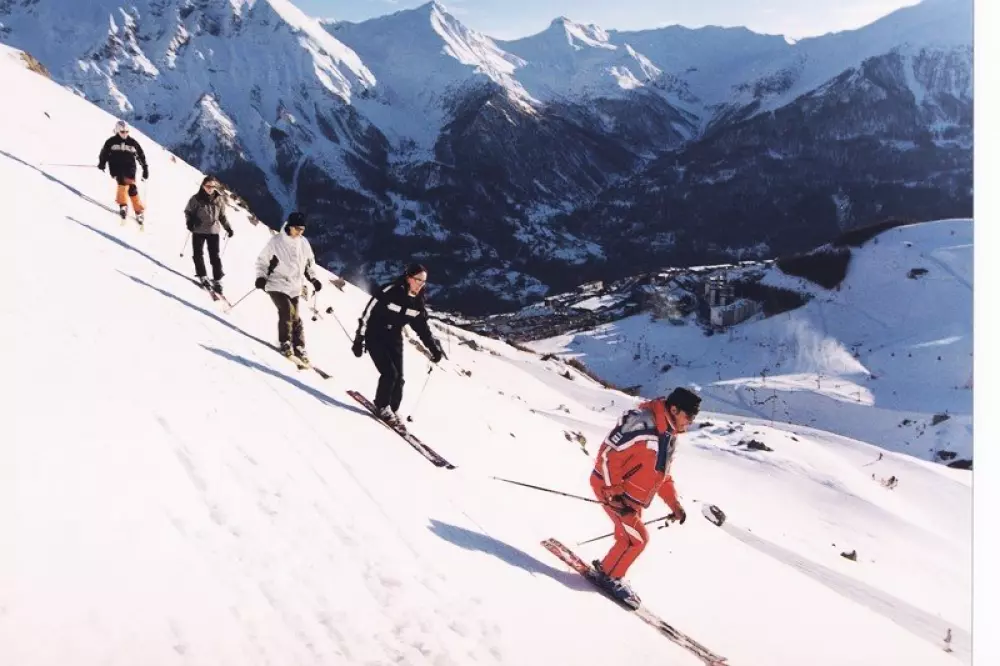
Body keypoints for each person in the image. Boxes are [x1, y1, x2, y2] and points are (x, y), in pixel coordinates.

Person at [588, 386, 702, 608]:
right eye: (689, 416)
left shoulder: (667, 435)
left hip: (631, 496)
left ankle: (607, 569)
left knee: (627, 537)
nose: (690, 422)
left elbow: (662, 476)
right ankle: (611, 577)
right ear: (675, 409)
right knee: (637, 539)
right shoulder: (643, 425)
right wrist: (613, 492)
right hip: (612, 490)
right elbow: (608, 455)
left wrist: (674, 504)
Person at [352, 264, 445, 427]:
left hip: (394, 337)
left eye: (424, 282)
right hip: (375, 334)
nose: (421, 285)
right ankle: (381, 406)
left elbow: (422, 328)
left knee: (399, 379)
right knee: (390, 373)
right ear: (409, 278)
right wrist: (359, 338)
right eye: (418, 280)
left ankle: (393, 408)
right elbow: (368, 313)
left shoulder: (417, 302)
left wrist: (434, 349)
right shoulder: (390, 291)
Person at [254, 212, 322, 364]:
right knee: (286, 310)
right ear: (290, 226)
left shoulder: (303, 243)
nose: (300, 232)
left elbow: (309, 263)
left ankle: (299, 346)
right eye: (297, 229)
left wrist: (314, 279)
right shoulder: (276, 242)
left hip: (294, 286)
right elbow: (262, 261)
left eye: (302, 229)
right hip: (275, 283)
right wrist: (261, 277)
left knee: (295, 317)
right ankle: (285, 342)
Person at [184, 175, 233, 294]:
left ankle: (217, 280)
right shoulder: (195, 199)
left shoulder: (218, 199)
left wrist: (228, 228)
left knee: (214, 256)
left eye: (212, 186)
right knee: (198, 254)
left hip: (213, 231)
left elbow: (222, 216)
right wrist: (190, 223)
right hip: (198, 230)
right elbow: (188, 212)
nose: (210, 188)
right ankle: (203, 275)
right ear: (203, 186)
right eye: (208, 186)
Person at [97, 120, 148, 223]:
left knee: (132, 188)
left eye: (126, 132)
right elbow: (104, 153)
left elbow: (141, 156)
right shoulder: (111, 142)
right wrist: (102, 163)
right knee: (122, 184)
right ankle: (123, 205)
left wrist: (145, 168)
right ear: (117, 131)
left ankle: (138, 211)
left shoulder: (132, 143)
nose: (125, 134)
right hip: (116, 167)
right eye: (122, 132)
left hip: (130, 167)